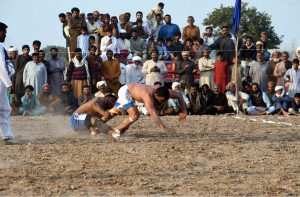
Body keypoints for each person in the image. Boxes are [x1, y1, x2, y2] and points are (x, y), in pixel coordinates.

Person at [103, 84, 187, 140]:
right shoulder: (147, 95)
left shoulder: (165, 91)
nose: (161, 103)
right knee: (134, 115)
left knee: (113, 112)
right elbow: (153, 113)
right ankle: (116, 130)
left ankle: (96, 123)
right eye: (160, 100)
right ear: (156, 95)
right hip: (126, 91)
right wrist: (163, 128)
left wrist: (184, 111)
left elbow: (179, 95)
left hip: (131, 92)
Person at [0, 22, 17, 144]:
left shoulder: (1, 47)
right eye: (4, 32)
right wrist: (9, 84)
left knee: (5, 108)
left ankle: (7, 135)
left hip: (2, 82)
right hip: (2, 81)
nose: (5, 35)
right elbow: (1, 68)